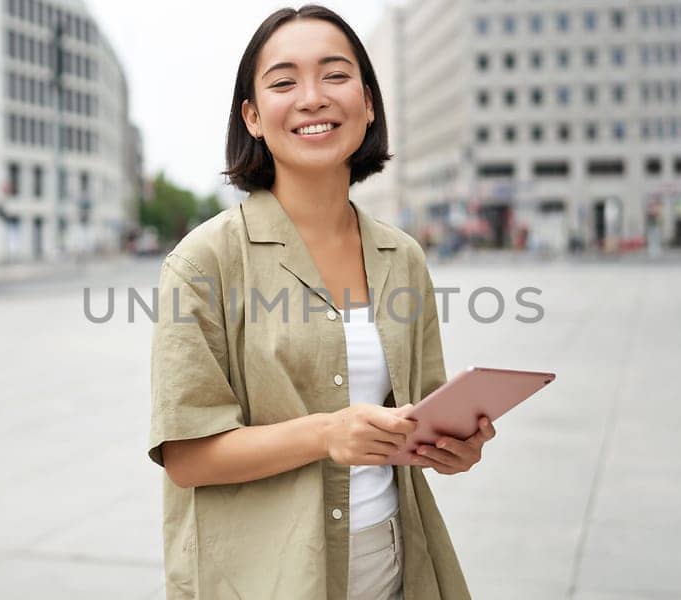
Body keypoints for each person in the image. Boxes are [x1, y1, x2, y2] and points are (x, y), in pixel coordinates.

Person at [148, 6, 488, 599]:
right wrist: (328, 433)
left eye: (335, 75)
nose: (312, 98)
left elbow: (420, 414)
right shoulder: (205, 261)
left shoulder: (401, 255)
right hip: (266, 574)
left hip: (393, 559)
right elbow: (186, 455)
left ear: (369, 101)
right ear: (252, 116)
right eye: (283, 82)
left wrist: (453, 446)